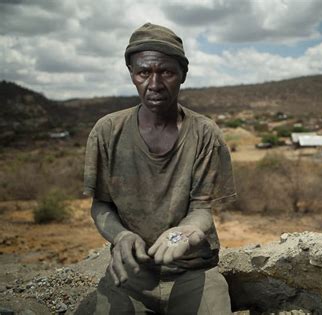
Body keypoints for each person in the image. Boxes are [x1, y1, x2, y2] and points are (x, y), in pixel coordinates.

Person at [80, 23, 236, 314]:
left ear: (183, 75)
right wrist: (122, 236)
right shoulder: (107, 131)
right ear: (131, 74)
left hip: (193, 272)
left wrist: (185, 233)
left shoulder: (204, 133)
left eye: (166, 72)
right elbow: (101, 205)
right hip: (132, 274)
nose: (154, 84)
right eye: (143, 72)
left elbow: (202, 208)